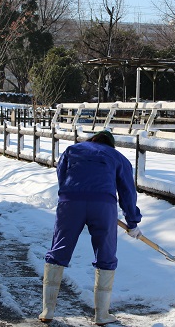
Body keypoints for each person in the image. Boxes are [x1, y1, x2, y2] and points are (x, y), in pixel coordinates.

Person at [39, 130, 142, 326]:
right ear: (110, 144)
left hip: (70, 203)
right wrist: (132, 221)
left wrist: (71, 194)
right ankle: (101, 315)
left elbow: (62, 173)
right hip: (103, 206)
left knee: (59, 250)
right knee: (106, 253)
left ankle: (48, 310)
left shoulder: (72, 150)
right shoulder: (117, 157)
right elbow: (127, 191)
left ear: (92, 140)